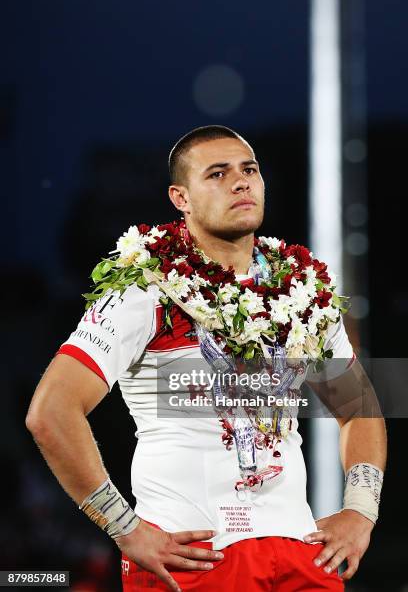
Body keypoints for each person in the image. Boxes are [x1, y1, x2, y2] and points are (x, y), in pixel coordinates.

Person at [26, 125, 387, 592]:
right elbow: (50, 413)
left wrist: (361, 508)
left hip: (300, 552)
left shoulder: (305, 293)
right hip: (194, 560)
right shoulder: (145, 290)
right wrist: (124, 528)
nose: (240, 182)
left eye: (249, 170)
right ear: (181, 198)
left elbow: (358, 408)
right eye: (217, 174)